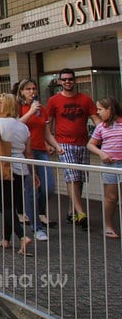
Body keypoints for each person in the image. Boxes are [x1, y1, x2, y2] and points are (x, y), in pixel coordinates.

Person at [0, 93, 33, 255]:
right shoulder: (23, 127)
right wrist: (34, 173)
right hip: (21, 168)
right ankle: (6, 239)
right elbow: (29, 152)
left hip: (2, 169)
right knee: (12, 205)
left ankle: (22, 236)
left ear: (2, 107)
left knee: (4, 206)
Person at [44, 68, 100, 228]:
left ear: (74, 80)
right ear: (60, 82)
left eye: (70, 79)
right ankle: (81, 213)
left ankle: (71, 212)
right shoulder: (54, 100)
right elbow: (48, 124)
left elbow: (96, 120)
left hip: (83, 143)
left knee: (79, 179)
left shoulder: (86, 100)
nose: (67, 82)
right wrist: (50, 143)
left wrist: (104, 135)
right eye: (64, 79)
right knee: (72, 178)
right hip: (64, 144)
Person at [16, 78, 54, 240]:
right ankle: (36, 227)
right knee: (32, 189)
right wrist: (30, 111)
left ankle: (37, 211)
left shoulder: (41, 109)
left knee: (48, 187)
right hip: (26, 152)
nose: (32, 92)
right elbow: (16, 125)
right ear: (22, 92)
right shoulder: (19, 107)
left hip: (41, 150)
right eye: (28, 89)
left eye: (34, 89)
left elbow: (46, 131)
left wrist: (56, 145)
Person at [87, 97, 122, 240]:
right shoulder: (101, 127)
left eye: (100, 109)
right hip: (110, 164)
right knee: (111, 196)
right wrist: (101, 153)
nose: (97, 112)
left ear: (110, 109)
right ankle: (108, 225)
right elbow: (90, 144)